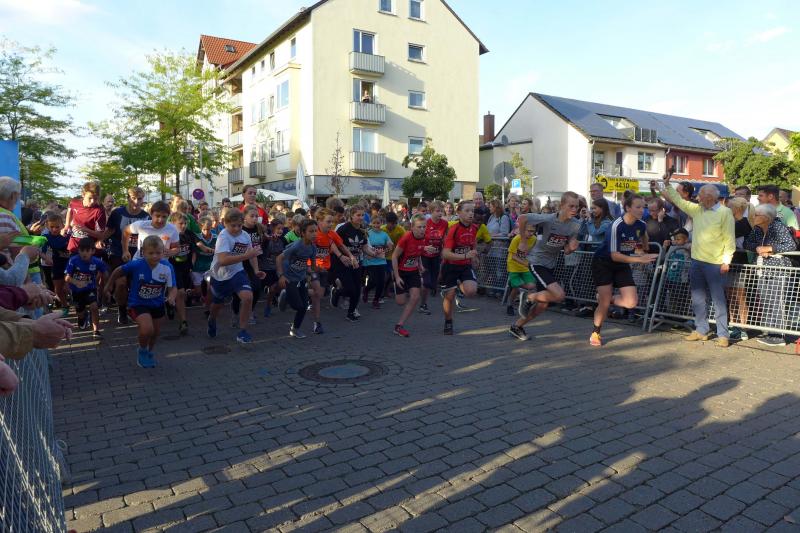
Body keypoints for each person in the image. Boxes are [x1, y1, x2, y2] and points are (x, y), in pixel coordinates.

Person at [662, 171, 735, 347]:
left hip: (716, 263)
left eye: (700, 196)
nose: (697, 199)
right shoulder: (697, 210)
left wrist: (727, 261)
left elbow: (729, 238)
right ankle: (701, 330)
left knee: (718, 300)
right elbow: (679, 201)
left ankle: (723, 334)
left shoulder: (725, 213)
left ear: (709, 197)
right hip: (697, 261)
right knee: (698, 299)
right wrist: (667, 185)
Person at [510, 192, 582, 341]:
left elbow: (566, 250)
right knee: (559, 295)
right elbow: (522, 218)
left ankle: (517, 326)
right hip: (537, 262)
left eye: (577, 206)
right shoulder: (548, 219)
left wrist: (571, 248)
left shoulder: (575, 225)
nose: (574, 209)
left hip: (550, 264)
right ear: (562, 206)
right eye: (571, 206)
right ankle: (529, 297)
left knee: (542, 306)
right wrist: (523, 240)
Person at [589, 195, 658, 346]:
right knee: (604, 304)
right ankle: (596, 332)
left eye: (644, 207)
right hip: (603, 262)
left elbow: (644, 239)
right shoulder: (616, 225)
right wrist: (640, 259)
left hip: (622, 263)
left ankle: (606, 298)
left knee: (631, 302)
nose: (642, 210)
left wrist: (643, 248)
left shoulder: (641, 224)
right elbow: (614, 255)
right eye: (638, 207)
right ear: (627, 208)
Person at [105, 236, 176, 368]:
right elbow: (118, 271)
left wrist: (171, 297)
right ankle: (142, 350)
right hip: (138, 303)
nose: (155, 256)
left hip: (157, 304)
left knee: (155, 333)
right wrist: (108, 286)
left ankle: (149, 352)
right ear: (143, 252)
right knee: (147, 329)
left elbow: (173, 288)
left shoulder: (167, 267)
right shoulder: (137, 264)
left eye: (158, 253)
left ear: (163, 252)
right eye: (151, 253)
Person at [206, 210, 264, 344]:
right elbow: (223, 260)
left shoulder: (245, 235)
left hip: (237, 272)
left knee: (248, 297)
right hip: (220, 275)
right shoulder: (223, 236)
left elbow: (252, 254)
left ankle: (242, 331)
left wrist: (256, 270)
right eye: (233, 225)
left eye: (239, 225)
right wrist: (246, 256)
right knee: (218, 304)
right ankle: (212, 319)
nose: (237, 228)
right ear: (225, 224)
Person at [744, 203, 797, 346]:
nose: (753, 217)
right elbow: (746, 243)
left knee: (777, 302)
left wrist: (770, 248)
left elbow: (791, 245)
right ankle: (770, 332)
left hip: (779, 270)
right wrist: (758, 248)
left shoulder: (778, 227)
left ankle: (779, 336)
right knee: (766, 301)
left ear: (766, 217)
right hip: (762, 270)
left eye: (756, 215)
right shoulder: (757, 229)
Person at [107, 187, 150, 323]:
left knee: (137, 283)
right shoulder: (117, 213)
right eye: (133, 198)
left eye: (140, 198)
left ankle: (134, 308)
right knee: (121, 283)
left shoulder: (146, 216)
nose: (136, 202)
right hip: (118, 252)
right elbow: (109, 231)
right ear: (128, 198)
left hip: (138, 253)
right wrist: (99, 241)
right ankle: (122, 309)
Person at [440, 200, 479, 335]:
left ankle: (458, 285)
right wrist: (465, 255)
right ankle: (448, 321)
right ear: (459, 213)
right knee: (449, 296)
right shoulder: (454, 229)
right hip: (450, 266)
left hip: (465, 266)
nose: (470, 214)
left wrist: (474, 256)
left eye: (472, 211)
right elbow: (445, 253)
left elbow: (473, 242)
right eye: (467, 211)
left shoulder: (475, 228)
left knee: (471, 291)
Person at [276, 219, 319, 338]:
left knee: (304, 306)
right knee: (297, 306)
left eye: (316, 231)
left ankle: (295, 329)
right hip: (289, 278)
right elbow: (279, 258)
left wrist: (314, 273)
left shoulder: (313, 247)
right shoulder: (296, 246)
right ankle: (286, 296)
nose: (314, 234)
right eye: (311, 231)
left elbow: (312, 266)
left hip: (301, 278)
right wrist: (281, 276)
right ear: (303, 233)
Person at [309, 208, 345, 334]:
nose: (331, 224)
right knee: (316, 296)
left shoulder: (331, 234)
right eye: (328, 222)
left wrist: (347, 256)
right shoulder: (313, 234)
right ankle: (317, 323)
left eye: (332, 222)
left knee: (319, 295)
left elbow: (338, 245)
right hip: (312, 268)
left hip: (324, 269)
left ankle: (299, 291)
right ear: (319, 221)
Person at [391, 214, 427, 337]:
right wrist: (397, 277)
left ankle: (399, 325)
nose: (422, 230)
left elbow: (418, 252)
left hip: (413, 271)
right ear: (412, 227)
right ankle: (396, 285)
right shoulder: (406, 238)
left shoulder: (424, 237)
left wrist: (420, 264)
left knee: (415, 297)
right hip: (401, 271)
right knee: (400, 302)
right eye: (419, 227)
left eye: (424, 227)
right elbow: (394, 256)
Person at [64, 238, 108, 336]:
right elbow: (67, 277)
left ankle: (96, 331)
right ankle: (82, 317)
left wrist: (107, 287)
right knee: (80, 312)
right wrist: (76, 282)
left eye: (87, 251)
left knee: (94, 307)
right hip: (76, 290)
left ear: (93, 251)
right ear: (78, 250)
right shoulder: (73, 260)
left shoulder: (97, 262)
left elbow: (105, 273)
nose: (84, 253)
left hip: (90, 289)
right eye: (82, 250)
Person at [167, 212, 197, 335]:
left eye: (185, 223)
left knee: (182, 294)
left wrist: (191, 265)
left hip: (186, 267)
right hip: (173, 267)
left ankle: (170, 303)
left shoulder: (189, 234)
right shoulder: (169, 235)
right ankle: (183, 322)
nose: (183, 226)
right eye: (180, 223)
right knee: (180, 292)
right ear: (172, 223)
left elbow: (193, 251)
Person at [419, 201, 448, 314]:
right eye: (437, 211)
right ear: (431, 212)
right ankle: (423, 304)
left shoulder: (444, 223)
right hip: (424, 255)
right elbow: (418, 238)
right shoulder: (425, 223)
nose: (440, 213)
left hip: (436, 256)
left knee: (433, 281)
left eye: (441, 211)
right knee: (426, 282)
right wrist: (424, 247)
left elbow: (445, 238)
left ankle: (426, 290)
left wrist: (445, 250)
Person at [64, 181, 109, 255]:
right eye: (90, 198)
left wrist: (85, 229)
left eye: (95, 198)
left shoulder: (99, 210)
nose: (92, 201)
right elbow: (70, 211)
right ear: (83, 195)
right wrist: (67, 226)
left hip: (89, 248)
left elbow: (101, 235)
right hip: (74, 245)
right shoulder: (74, 203)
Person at [41, 213, 71, 317]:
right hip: (56, 264)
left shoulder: (68, 236)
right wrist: (46, 258)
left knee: (67, 287)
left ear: (63, 225)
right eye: (52, 227)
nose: (54, 229)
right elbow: (41, 252)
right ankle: (65, 306)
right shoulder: (46, 237)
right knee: (58, 289)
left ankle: (78, 304)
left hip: (69, 264)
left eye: (57, 227)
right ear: (47, 226)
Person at [505, 224, 537, 317]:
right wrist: (526, 263)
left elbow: (531, 252)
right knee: (516, 286)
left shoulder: (534, 239)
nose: (531, 233)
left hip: (524, 267)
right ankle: (510, 305)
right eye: (529, 231)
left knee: (532, 286)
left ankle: (526, 303)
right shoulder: (517, 239)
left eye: (533, 231)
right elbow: (513, 256)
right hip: (513, 266)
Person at [362, 214, 392, 309]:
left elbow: (390, 246)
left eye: (378, 223)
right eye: (374, 223)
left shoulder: (384, 234)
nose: (376, 225)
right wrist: (371, 252)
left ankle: (376, 300)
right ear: (371, 223)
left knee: (381, 281)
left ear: (381, 223)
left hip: (381, 261)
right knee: (373, 280)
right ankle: (366, 290)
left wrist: (384, 250)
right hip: (370, 260)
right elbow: (364, 246)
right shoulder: (367, 233)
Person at [259, 217, 286, 318]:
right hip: (266, 268)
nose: (280, 231)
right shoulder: (267, 240)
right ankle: (268, 305)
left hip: (278, 268)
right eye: (278, 228)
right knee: (271, 289)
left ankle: (273, 300)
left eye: (282, 229)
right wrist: (266, 239)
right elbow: (260, 247)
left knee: (276, 287)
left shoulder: (283, 240)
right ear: (273, 228)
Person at [192, 217, 216, 314]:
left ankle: (207, 306)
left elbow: (217, 249)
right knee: (198, 291)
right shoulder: (197, 236)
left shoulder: (215, 237)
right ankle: (192, 293)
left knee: (210, 287)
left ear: (211, 228)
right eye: (204, 229)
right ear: (200, 228)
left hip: (209, 267)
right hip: (197, 267)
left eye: (208, 229)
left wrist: (213, 250)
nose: (206, 232)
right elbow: (201, 247)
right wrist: (211, 250)